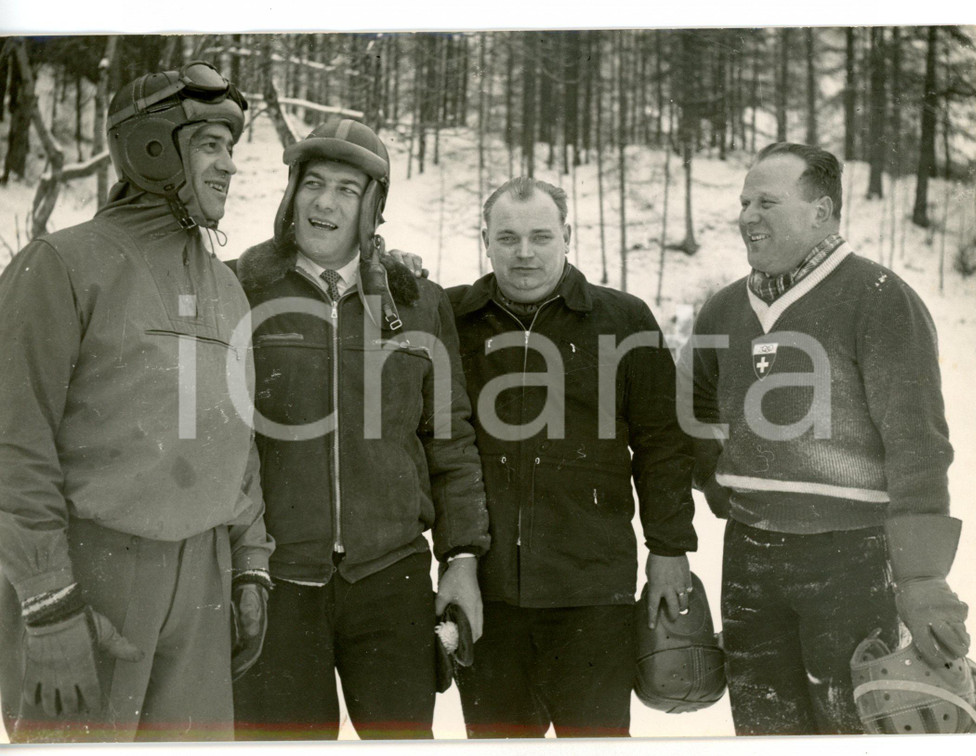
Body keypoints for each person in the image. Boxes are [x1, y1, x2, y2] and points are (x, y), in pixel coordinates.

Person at [0, 61, 274, 742]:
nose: (228, 167)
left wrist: (249, 568)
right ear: (154, 148)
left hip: (203, 580)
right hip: (93, 577)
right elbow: (12, 447)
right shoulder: (61, 266)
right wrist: (48, 601)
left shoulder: (227, 288)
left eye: (231, 149)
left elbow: (236, 443)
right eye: (209, 145)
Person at [686, 142, 971, 735]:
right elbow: (687, 407)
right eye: (743, 202)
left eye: (767, 201)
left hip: (853, 556)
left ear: (821, 211)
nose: (747, 215)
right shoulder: (722, 311)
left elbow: (918, 445)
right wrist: (717, 477)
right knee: (763, 732)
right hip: (749, 557)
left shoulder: (880, 298)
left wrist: (921, 576)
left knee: (850, 731)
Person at [229, 117, 490, 740]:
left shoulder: (417, 301)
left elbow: (448, 442)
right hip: (277, 579)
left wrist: (461, 560)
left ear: (373, 205)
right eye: (313, 182)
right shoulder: (241, 287)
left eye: (347, 189)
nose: (324, 201)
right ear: (290, 192)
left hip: (390, 579)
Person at [445, 177, 697, 738]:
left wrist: (670, 548)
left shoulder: (624, 320)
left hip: (592, 595)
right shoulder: (454, 318)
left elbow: (663, 445)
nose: (525, 253)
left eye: (541, 236)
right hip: (488, 594)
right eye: (507, 238)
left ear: (568, 237)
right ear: (485, 240)